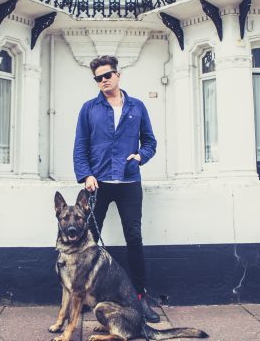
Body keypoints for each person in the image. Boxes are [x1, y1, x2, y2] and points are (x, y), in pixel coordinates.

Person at [73, 55, 159, 323]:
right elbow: (80, 146)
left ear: (118, 75)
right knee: (90, 243)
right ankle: (87, 297)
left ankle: (140, 298)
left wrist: (141, 156)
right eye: (98, 78)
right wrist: (86, 174)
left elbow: (150, 142)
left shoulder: (137, 107)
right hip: (97, 184)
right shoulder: (89, 109)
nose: (103, 81)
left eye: (107, 75)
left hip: (129, 182)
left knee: (134, 238)